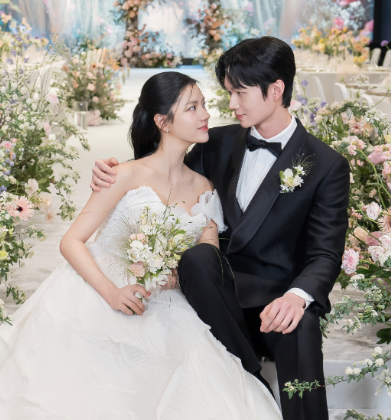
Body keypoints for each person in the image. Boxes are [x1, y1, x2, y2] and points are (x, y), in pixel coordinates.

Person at [0, 71, 282, 420]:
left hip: (169, 301)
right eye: (192, 107)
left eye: (203, 104)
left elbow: (209, 255)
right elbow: (71, 241)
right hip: (101, 290)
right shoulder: (122, 174)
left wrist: (182, 270)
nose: (205, 115)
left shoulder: (205, 187)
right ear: (163, 122)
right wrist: (111, 293)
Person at [91, 37, 350, 420]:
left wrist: (296, 297)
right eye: (228, 93)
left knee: (299, 327)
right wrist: (114, 173)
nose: (231, 104)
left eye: (240, 93)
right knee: (198, 257)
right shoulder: (216, 143)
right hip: (211, 289)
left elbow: (325, 254)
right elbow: (162, 178)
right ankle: (254, 388)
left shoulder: (325, 164)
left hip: (273, 298)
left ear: (275, 90)